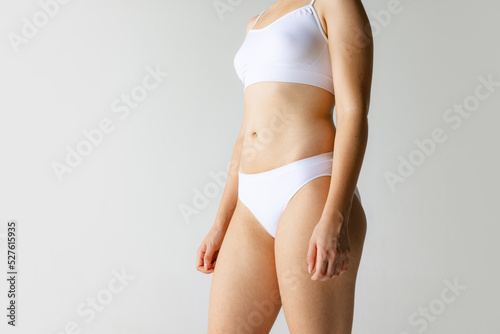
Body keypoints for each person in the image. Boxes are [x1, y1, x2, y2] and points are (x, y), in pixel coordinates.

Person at [197, 0, 373, 332]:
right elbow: (246, 132)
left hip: (309, 186)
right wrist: (221, 222)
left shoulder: (333, 4)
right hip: (249, 203)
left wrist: (336, 214)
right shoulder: (256, 22)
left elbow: (354, 113)